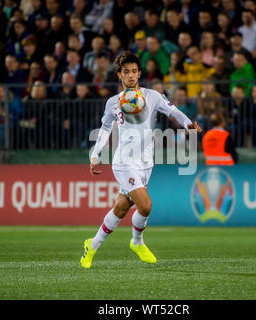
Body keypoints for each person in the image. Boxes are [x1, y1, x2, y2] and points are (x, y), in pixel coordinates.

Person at [80, 51, 202, 268]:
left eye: (134, 71)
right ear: (119, 75)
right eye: (126, 72)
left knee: (120, 208)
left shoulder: (152, 96)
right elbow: (105, 128)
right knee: (145, 206)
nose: (130, 75)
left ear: (139, 73)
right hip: (124, 163)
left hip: (146, 163)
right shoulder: (113, 102)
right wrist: (95, 154)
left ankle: (92, 245)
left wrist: (188, 124)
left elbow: (173, 111)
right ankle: (137, 242)